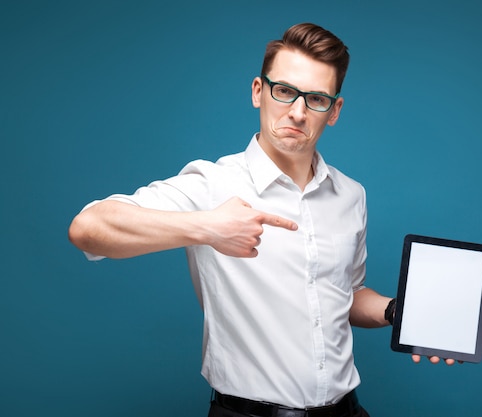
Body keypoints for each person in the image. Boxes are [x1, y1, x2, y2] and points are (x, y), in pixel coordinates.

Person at [69, 22, 455, 417]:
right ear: (259, 91)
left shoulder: (351, 195)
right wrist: (206, 227)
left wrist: (398, 312)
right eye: (285, 91)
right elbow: (88, 228)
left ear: (334, 110)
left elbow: (345, 294)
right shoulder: (213, 184)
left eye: (317, 99)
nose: (298, 112)